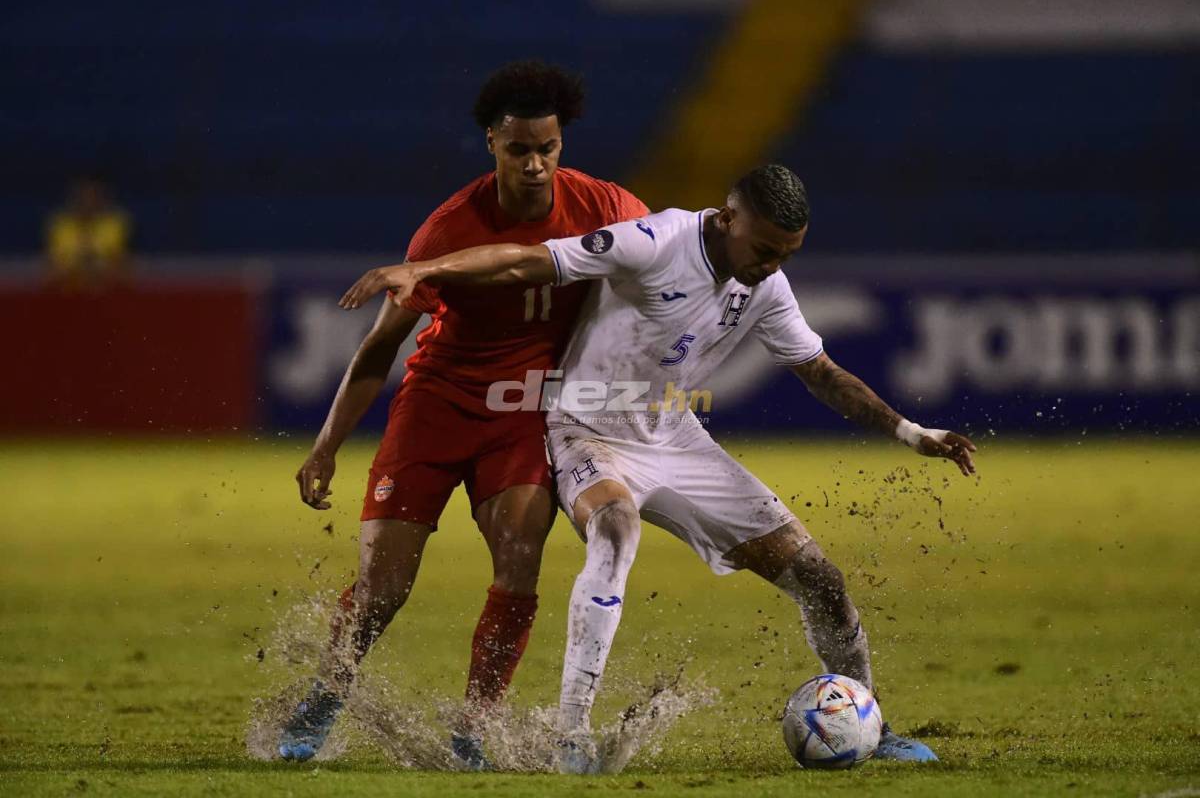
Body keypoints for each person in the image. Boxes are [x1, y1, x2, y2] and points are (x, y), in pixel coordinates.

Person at [339, 163, 977, 772]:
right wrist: (425, 267)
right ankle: (572, 735)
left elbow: (821, 373)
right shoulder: (653, 241)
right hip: (584, 429)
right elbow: (529, 260)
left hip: (674, 436)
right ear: (729, 219)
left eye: (788, 253)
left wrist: (909, 431)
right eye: (765, 249)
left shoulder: (766, 286)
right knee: (616, 529)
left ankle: (874, 728)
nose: (772, 266)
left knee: (820, 578)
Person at [278, 60, 649, 768]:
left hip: (522, 413)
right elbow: (380, 349)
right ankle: (327, 693)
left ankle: (474, 725)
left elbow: (666, 265)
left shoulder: (607, 207)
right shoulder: (448, 229)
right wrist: (326, 447)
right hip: (438, 404)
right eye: (520, 150)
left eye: (548, 148)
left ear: (561, 143)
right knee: (384, 588)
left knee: (520, 555)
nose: (536, 164)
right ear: (491, 143)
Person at [45, 178, 132, 288]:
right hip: (68, 286)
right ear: (74, 199)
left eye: (93, 196)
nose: (88, 202)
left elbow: (119, 263)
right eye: (83, 197)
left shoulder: (114, 223)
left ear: (102, 199)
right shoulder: (61, 224)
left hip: (107, 286)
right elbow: (54, 265)